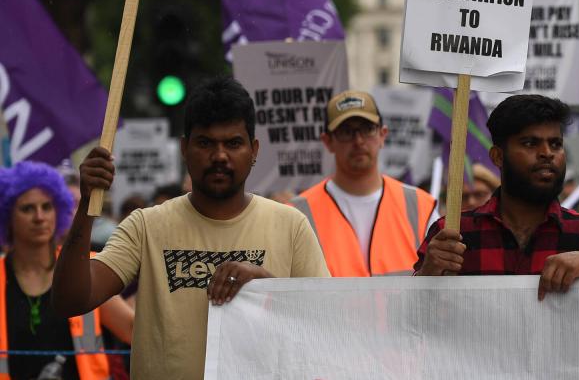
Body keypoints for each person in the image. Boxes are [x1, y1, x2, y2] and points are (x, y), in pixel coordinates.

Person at [52, 75, 330, 380]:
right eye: (205, 143)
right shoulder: (146, 226)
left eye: (233, 143)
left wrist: (266, 285)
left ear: (254, 150)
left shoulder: (291, 226)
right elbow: (70, 300)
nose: (220, 156)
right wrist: (86, 205)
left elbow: (324, 329)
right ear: (184, 148)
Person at [415, 95, 579, 299]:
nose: (547, 153)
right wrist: (429, 273)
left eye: (556, 144)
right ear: (498, 156)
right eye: (530, 143)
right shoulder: (452, 234)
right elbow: (413, 318)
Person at [0, 162, 133, 380]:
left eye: (47, 207)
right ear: (7, 215)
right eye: (27, 209)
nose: (39, 217)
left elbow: (132, 329)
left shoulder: (84, 268)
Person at [293, 90, 436, 277]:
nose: (358, 141)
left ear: (383, 134)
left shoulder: (421, 206)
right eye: (346, 132)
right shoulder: (297, 214)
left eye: (367, 129)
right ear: (327, 141)